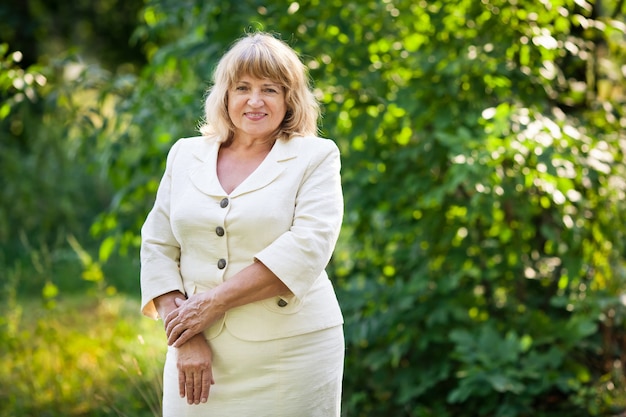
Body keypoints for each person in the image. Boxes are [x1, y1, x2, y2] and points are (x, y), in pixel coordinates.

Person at [139, 32, 345, 417]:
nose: (254, 100)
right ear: (225, 96)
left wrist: (210, 305)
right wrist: (185, 336)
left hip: (292, 354)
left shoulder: (316, 157)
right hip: (197, 354)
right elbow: (157, 245)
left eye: (270, 89)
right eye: (242, 88)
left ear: (290, 100)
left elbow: (308, 248)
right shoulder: (185, 154)